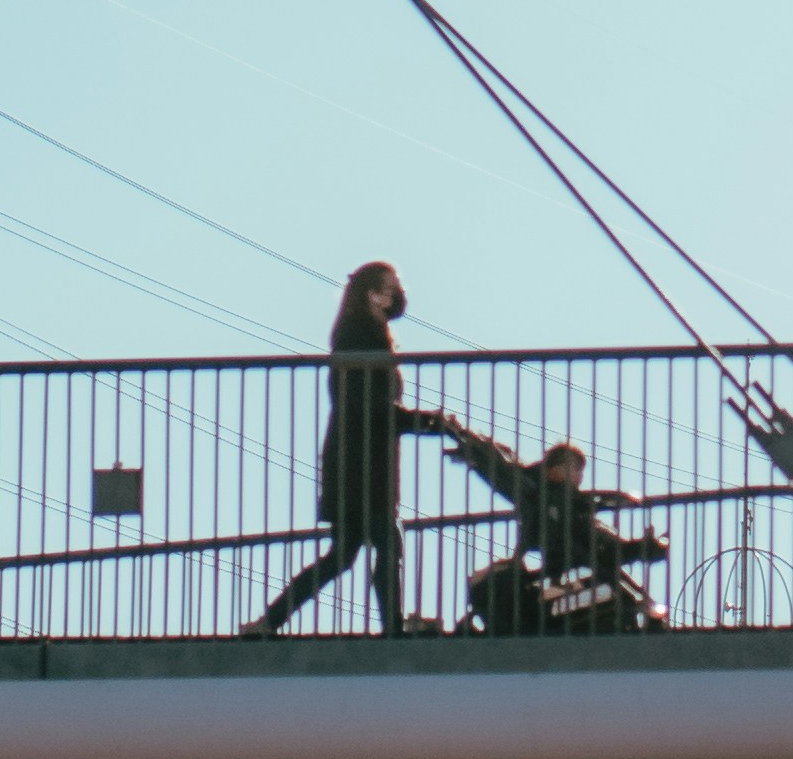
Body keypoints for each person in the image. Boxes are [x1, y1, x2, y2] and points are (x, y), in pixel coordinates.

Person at [245, 263, 433, 636]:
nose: (396, 295)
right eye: (390, 288)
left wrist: (415, 420)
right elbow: (369, 403)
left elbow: (372, 404)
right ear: (372, 293)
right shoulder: (360, 333)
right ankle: (392, 630)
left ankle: (269, 621)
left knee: (345, 555)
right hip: (361, 464)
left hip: (357, 460)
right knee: (383, 545)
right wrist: (420, 421)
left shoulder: (363, 331)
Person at [425, 420, 669, 638]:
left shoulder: (573, 504)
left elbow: (604, 546)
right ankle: (647, 618)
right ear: (556, 468)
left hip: (568, 581)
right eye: (575, 469)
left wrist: (644, 547)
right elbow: (501, 467)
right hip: (553, 585)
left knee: (620, 592)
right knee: (621, 594)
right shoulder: (539, 494)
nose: (579, 477)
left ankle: (645, 614)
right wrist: (466, 439)